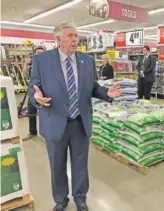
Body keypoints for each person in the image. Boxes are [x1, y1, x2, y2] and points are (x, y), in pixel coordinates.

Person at [28, 22, 121, 211]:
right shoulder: (42, 60)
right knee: (57, 165)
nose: (74, 40)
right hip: (54, 121)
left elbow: (92, 87)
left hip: (80, 122)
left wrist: (106, 93)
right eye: (70, 36)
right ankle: (61, 200)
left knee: (80, 164)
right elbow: (33, 87)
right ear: (58, 39)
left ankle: (80, 199)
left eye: (76, 36)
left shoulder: (86, 60)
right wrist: (36, 98)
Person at [22, 46, 46, 141]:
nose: (39, 54)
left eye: (42, 53)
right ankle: (32, 132)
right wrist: (25, 64)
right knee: (31, 112)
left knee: (45, 114)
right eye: (38, 53)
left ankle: (45, 133)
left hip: (44, 92)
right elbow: (24, 75)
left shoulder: (48, 65)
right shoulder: (31, 65)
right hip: (32, 92)